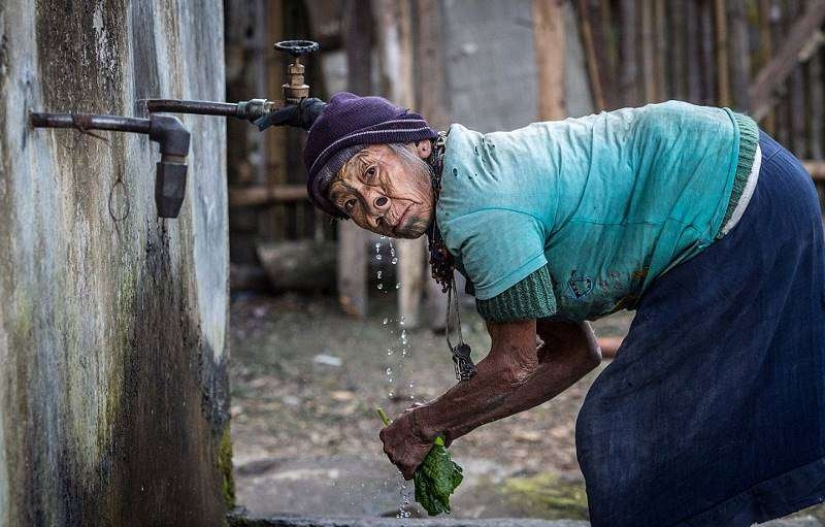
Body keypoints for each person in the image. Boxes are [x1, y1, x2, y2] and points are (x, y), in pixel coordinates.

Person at [281, 92, 825, 527]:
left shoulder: (479, 207)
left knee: (627, 430)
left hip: (738, 199)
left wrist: (424, 425)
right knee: (672, 425)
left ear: (418, 146)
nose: (372, 206)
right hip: (756, 182)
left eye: (371, 173)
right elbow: (571, 353)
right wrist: (445, 428)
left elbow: (513, 363)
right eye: (350, 204)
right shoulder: (462, 192)